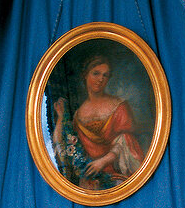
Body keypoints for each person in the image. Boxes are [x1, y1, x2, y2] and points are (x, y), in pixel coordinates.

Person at [52, 56, 144, 190]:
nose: (100, 79)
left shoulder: (119, 106)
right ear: (85, 75)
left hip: (117, 177)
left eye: (105, 75)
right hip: (90, 181)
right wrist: (61, 118)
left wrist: (103, 161)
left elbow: (127, 142)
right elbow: (66, 145)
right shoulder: (78, 114)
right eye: (96, 73)